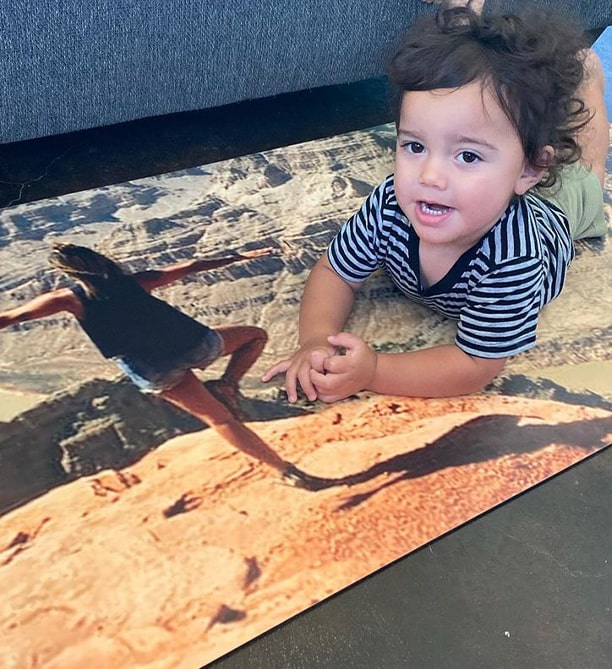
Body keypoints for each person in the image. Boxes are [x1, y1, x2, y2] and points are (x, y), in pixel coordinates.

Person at [263, 1, 608, 403]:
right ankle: (467, 14)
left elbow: (475, 364)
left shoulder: (516, 258)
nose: (430, 176)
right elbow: (334, 271)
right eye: (415, 145)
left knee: (585, 170)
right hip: (513, 181)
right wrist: (315, 338)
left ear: (529, 171)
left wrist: (374, 371)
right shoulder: (390, 203)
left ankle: (587, 76)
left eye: (467, 156)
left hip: (558, 213)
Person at [0, 243, 335, 491]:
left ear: (71, 272)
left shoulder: (68, 298)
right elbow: (191, 266)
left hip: (153, 368)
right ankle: (228, 384)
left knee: (220, 419)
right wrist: (237, 258)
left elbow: (14, 316)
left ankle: (285, 471)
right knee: (255, 337)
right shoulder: (135, 282)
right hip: (189, 344)